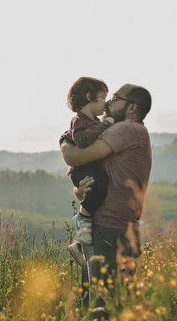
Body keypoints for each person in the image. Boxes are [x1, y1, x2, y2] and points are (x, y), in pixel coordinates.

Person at [60, 83, 153, 319]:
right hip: (109, 229)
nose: (109, 102)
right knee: (99, 306)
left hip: (110, 232)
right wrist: (80, 193)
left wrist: (63, 141)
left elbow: (75, 155)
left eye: (115, 97)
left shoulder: (128, 129)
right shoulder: (126, 131)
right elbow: (90, 172)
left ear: (132, 107)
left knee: (102, 309)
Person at [58, 77, 114, 266]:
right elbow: (82, 140)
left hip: (89, 168)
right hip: (82, 170)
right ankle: (82, 218)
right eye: (102, 97)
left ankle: (81, 240)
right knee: (100, 184)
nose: (105, 103)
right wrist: (104, 125)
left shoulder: (93, 120)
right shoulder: (79, 121)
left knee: (101, 185)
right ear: (90, 97)